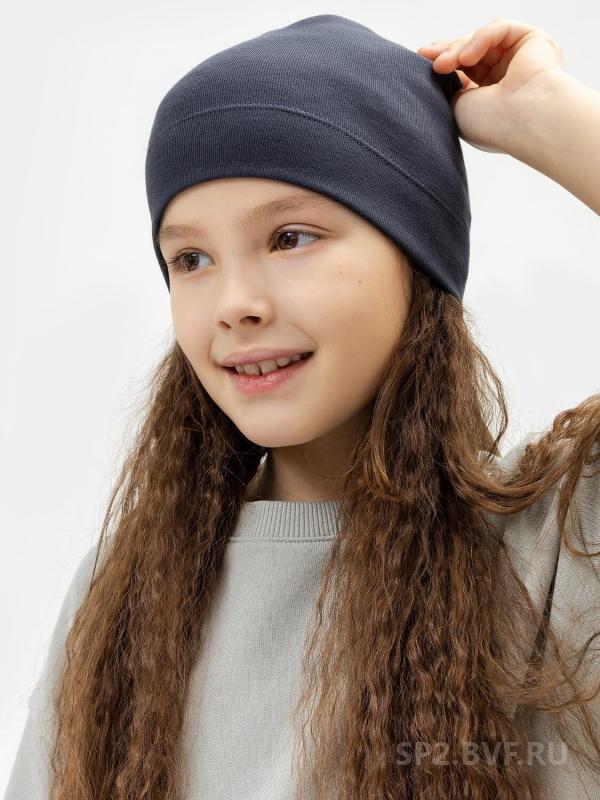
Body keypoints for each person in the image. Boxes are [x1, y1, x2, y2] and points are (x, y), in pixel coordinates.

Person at [4, 14, 600, 800]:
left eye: (290, 238)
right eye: (191, 258)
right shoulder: (122, 593)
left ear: (416, 258)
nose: (234, 304)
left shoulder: (557, 538)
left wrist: (548, 115)